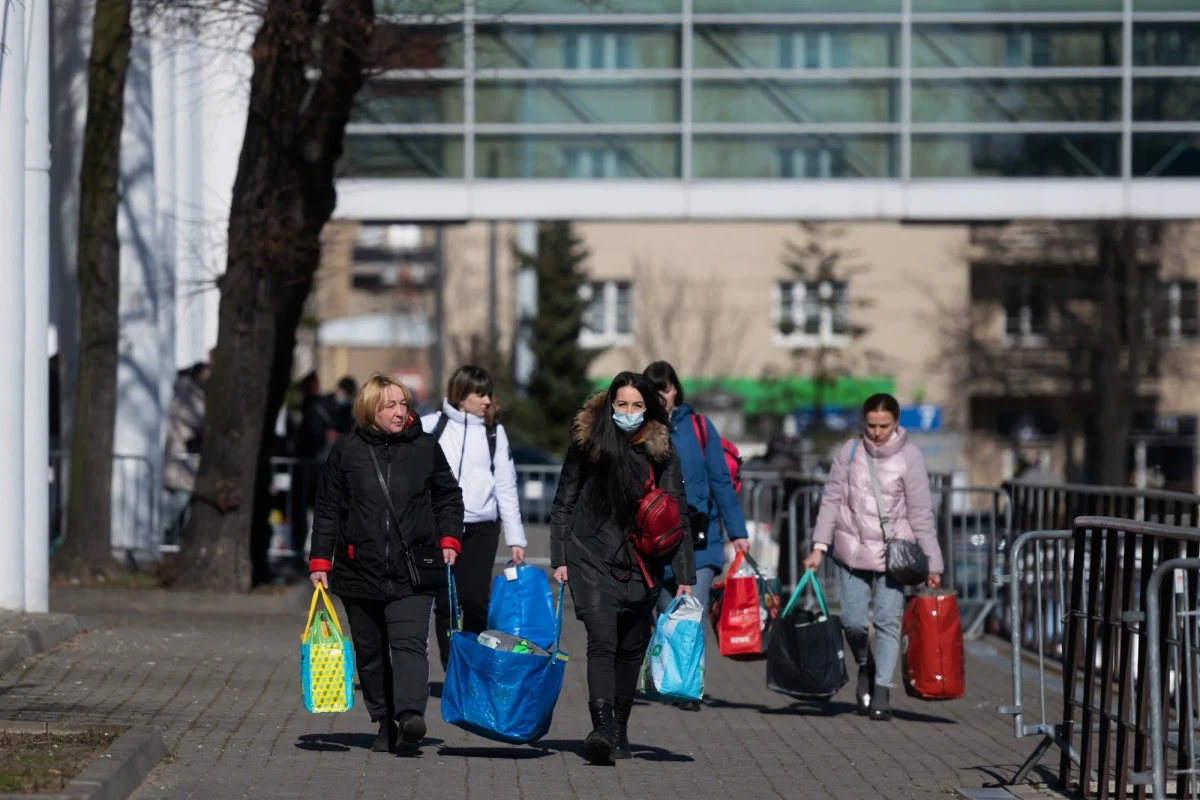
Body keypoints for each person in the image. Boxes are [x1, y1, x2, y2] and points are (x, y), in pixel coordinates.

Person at [308, 374, 464, 753]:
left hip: (413, 568)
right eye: (389, 405)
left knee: (409, 642)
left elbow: (448, 495)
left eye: (404, 404)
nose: (399, 412)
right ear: (370, 410)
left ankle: (410, 716)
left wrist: (448, 538)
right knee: (371, 651)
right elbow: (328, 508)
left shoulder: (425, 447)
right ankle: (384, 720)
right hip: (357, 568)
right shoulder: (347, 450)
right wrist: (320, 560)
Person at [550, 372, 695, 765]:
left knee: (631, 648)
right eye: (621, 405)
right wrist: (559, 557)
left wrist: (685, 576)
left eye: (637, 405)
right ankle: (600, 729)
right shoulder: (588, 444)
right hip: (590, 555)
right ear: (610, 404)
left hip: (643, 562)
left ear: (648, 407)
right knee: (601, 641)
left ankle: (619, 730)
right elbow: (564, 502)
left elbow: (676, 512)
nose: (628, 413)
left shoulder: (661, 451)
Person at [803, 392, 944, 722]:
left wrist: (933, 564)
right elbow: (832, 500)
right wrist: (819, 547)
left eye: (884, 425)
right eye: (871, 425)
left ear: (896, 423)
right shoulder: (849, 451)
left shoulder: (910, 457)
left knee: (886, 622)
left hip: (895, 555)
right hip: (851, 551)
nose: (877, 432)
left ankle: (882, 690)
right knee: (852, 622)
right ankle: (866, 665)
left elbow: (922, 513)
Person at [644, 361, 749, 712]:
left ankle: (688, 684)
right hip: (656, 538)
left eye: (667, 387)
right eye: (655, 388)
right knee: (665, 608)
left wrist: (738, 532)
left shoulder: (700, 427)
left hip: (701, 537)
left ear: (676, 390)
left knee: (694, 611)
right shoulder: (641, 428)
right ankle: (668, 675)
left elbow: (721, 479)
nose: (662, 393)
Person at [422, 366, 528, 670]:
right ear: (460, 394)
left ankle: (475, 667)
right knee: (445, 602)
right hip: (441, 526)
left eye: (488, 393)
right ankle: (452, 668)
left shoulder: (494, 432)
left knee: (475, 601)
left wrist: (516, 539)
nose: (486, 400)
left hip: (482, 527)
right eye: (479, 393)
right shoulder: (432, 426)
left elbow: (506, 486)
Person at [162, 362, 210, 542]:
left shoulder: (193, 393)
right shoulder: (187, 394)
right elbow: (196, 417)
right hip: (181, 458)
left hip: (188, 459)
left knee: (185, 503)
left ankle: (173, 541)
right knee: (179, 500)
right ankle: (165, 537)